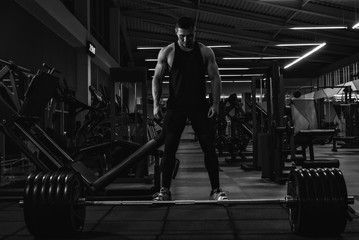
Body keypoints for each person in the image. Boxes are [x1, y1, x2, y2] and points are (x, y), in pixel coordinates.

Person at [152, 16, 227, 201]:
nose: (186, 39)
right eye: (182, 36)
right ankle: (164, 190)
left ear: (195, 32)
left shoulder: (205, 51)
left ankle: (216, 190)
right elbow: (157, 78)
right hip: (175, 107)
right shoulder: (167, 52)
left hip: (199, 106)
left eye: (190, 35)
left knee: (209, 147)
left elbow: (215, 78)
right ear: (176, 32)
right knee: (169, 148)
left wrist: (216, 104)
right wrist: (155, 104)